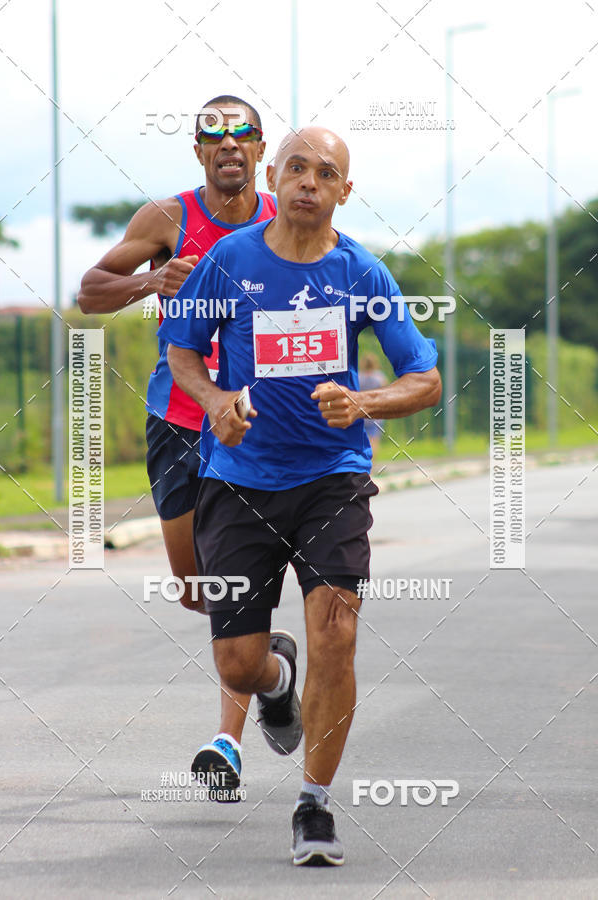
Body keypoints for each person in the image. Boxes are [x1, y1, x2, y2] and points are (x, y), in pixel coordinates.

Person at [160, 125, 442, 863]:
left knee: (337, 632)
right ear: (274, 177)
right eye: (296, 168)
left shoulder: (363, 274)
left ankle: (314, 806)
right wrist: (216, 396)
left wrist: (367, 404)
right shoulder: (230, 259)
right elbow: (182, 349)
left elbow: (425, 377)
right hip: (240, 482)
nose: (308, 181)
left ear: (345, 190)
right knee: (237, 666)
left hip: (332, 480)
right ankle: (275, 682)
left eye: (326, 172)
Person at [77, 95, 291, 800]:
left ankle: (226, 742)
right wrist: (150, 282)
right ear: (198, 151)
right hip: (176, 418)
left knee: (232, 579)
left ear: (261, 148)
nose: (229, 144)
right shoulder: (167, 220)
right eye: (213, 135)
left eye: (242, 133)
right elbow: (90, 291)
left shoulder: (285, 218)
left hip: (250, 423)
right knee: (195, 588)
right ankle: (272, 670)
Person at [358, 353, 388, 461]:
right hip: (376, 413)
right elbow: (385, 392)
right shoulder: (379, 377)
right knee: (374, 441)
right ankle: (372, 465)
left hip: (360, 413)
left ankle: (361, 464)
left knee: (360, 441)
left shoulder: (358, 377)